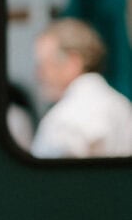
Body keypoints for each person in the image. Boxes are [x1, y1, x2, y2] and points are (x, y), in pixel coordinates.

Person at [31, 17, 132, 158]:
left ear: (73, 62)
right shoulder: (122, 104)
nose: (39, 75)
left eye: (44, 65)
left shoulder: (64, 119)